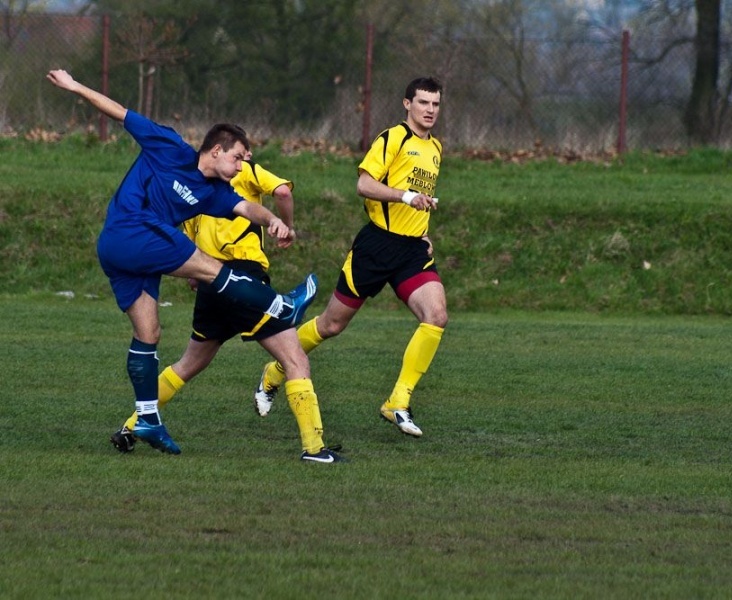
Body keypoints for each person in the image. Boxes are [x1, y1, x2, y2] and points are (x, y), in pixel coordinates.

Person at [46, 69, 316, 455]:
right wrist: (74, 87)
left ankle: (147, 418)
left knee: (149, 333)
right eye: (239, 158)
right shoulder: (169, 145)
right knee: (210, 267)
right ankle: (281, 306)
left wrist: (272, 219)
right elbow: (120, 113)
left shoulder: (214, 193)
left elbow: (246, 208)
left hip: (132, 255)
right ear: (217, 150)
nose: (242, 167)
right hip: (130, 229)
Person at [109, 153, 344, 463]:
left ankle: (131, 426)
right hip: (244, 280)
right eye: (241, 152)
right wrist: (288, 226)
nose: (245, 158)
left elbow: (188, 251)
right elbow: (283, 192)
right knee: (295, 359)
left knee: (187, 365)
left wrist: (197, 274)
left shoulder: (194, 186)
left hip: (210, 281)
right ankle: (314, 449)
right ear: (227, 150)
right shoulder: (246, 172)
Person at [254, 77, 447, 437]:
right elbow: (364, 185)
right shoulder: (393, 138)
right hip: (376, 246)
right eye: (423, 102)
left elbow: (419, 199)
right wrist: (406, 197)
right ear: (407, 104)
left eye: (435, 104)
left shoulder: (435, 147)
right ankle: (275, 371)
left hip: (412, 251)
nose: (430, 110)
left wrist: (422, 230)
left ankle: (398, 402)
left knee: (436, 315)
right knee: (331, 325)